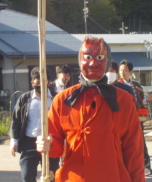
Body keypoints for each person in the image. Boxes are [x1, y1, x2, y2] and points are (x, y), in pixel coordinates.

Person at [36, 37, 145, 182]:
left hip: (113, 176)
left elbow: (134, 151)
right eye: (87, 57)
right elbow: (55, 148)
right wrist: (45, 144)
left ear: (107, 61)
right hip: (74, 177)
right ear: (80, 60)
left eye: (100, 57)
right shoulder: (63, 100)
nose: (93, 62)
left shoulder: (123, 100)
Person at [8, 67, 60, 182]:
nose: (40, 85)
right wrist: (14, 140)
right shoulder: (25, 98)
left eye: (43, 82)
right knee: (27, 176)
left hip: (50, 142)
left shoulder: (56, 99)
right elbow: (16, 120)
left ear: (49, 82)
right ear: (32, 83)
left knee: (53, 176)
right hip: (29, 142)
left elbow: (64, 122)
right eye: (37, 83)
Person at [118, 59, 152, 176]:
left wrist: (146, 99)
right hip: (123, 119)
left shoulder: (136, 85)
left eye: (125, 70)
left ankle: (146, 166)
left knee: (141, 142)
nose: (122, 72)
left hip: (137, 118)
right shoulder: (117, 85)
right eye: (120, 70)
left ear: (131, 72)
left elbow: (140, 102)